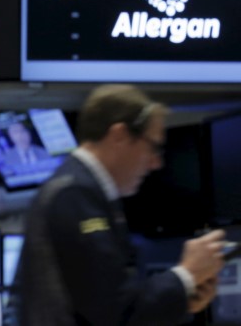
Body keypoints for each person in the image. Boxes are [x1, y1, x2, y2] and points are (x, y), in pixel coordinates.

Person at [16, 84, 226, 325]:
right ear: (119, 136)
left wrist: (182, 298)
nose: (156, 163)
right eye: (153, 146)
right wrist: (186, 274)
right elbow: (115, 311)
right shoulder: (76, 195)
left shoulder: (76, 190)